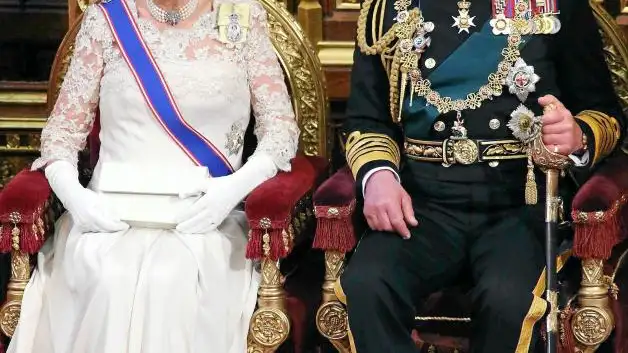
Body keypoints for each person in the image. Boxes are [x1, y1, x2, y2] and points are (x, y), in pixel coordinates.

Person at [7, 0, 298, 350]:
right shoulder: (107, 20)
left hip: (206, 219)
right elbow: (61, 135)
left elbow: (280, 131)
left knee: (171, 278)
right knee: (110, 277)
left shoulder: (244, 15)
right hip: (109, 220)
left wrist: (232, 191)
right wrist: (76, 198)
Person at [336, 0, 625, 352]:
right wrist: (378, 176)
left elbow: (605, 114)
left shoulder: (557, 4)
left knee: (507, 299)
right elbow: (367, 120)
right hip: (421, 206)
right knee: (367, 284)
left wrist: (577, 135)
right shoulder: (385, 9)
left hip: (519, 206)